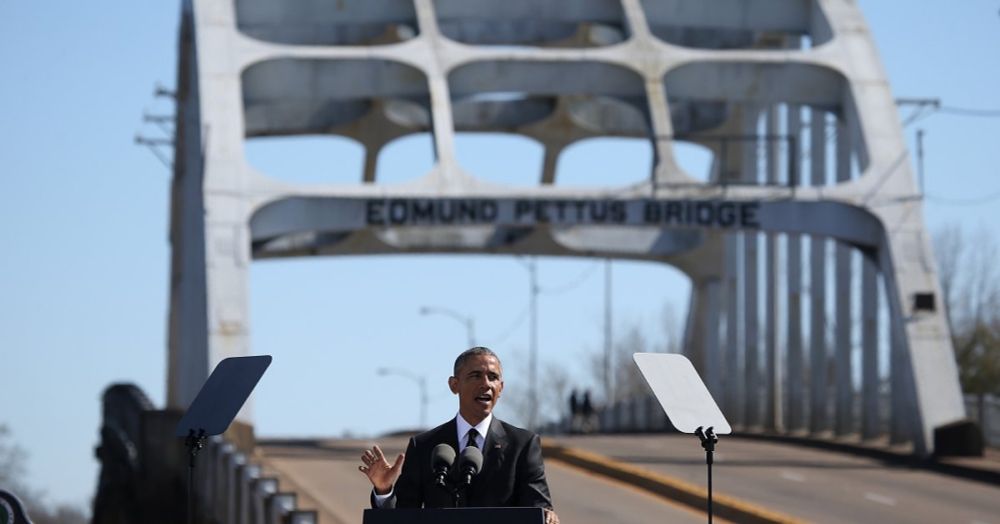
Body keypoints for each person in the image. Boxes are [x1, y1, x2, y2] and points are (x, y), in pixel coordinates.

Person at [359, 347, 560, 524]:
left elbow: (539, 509)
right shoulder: (424, 446)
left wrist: (547, 516)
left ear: (501, 388)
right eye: (475, 376)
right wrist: (384, 491)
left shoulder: (522, 445)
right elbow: (403, 515)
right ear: (454, 385)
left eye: (493, 377)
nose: (486, 384)